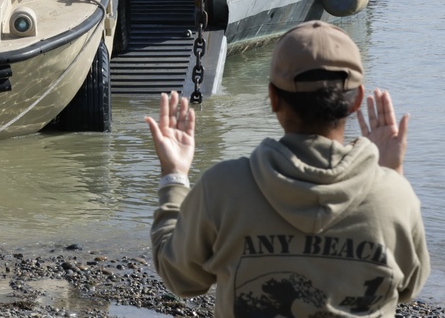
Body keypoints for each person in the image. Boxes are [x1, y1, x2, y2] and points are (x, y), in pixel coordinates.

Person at [146, 21, 429, 317]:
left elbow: (180, 277)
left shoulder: (223, 188)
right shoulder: (394, 196)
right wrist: (392, 173)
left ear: (273, 97)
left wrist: (174, 176)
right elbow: (410, 287)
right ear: (356, 101)